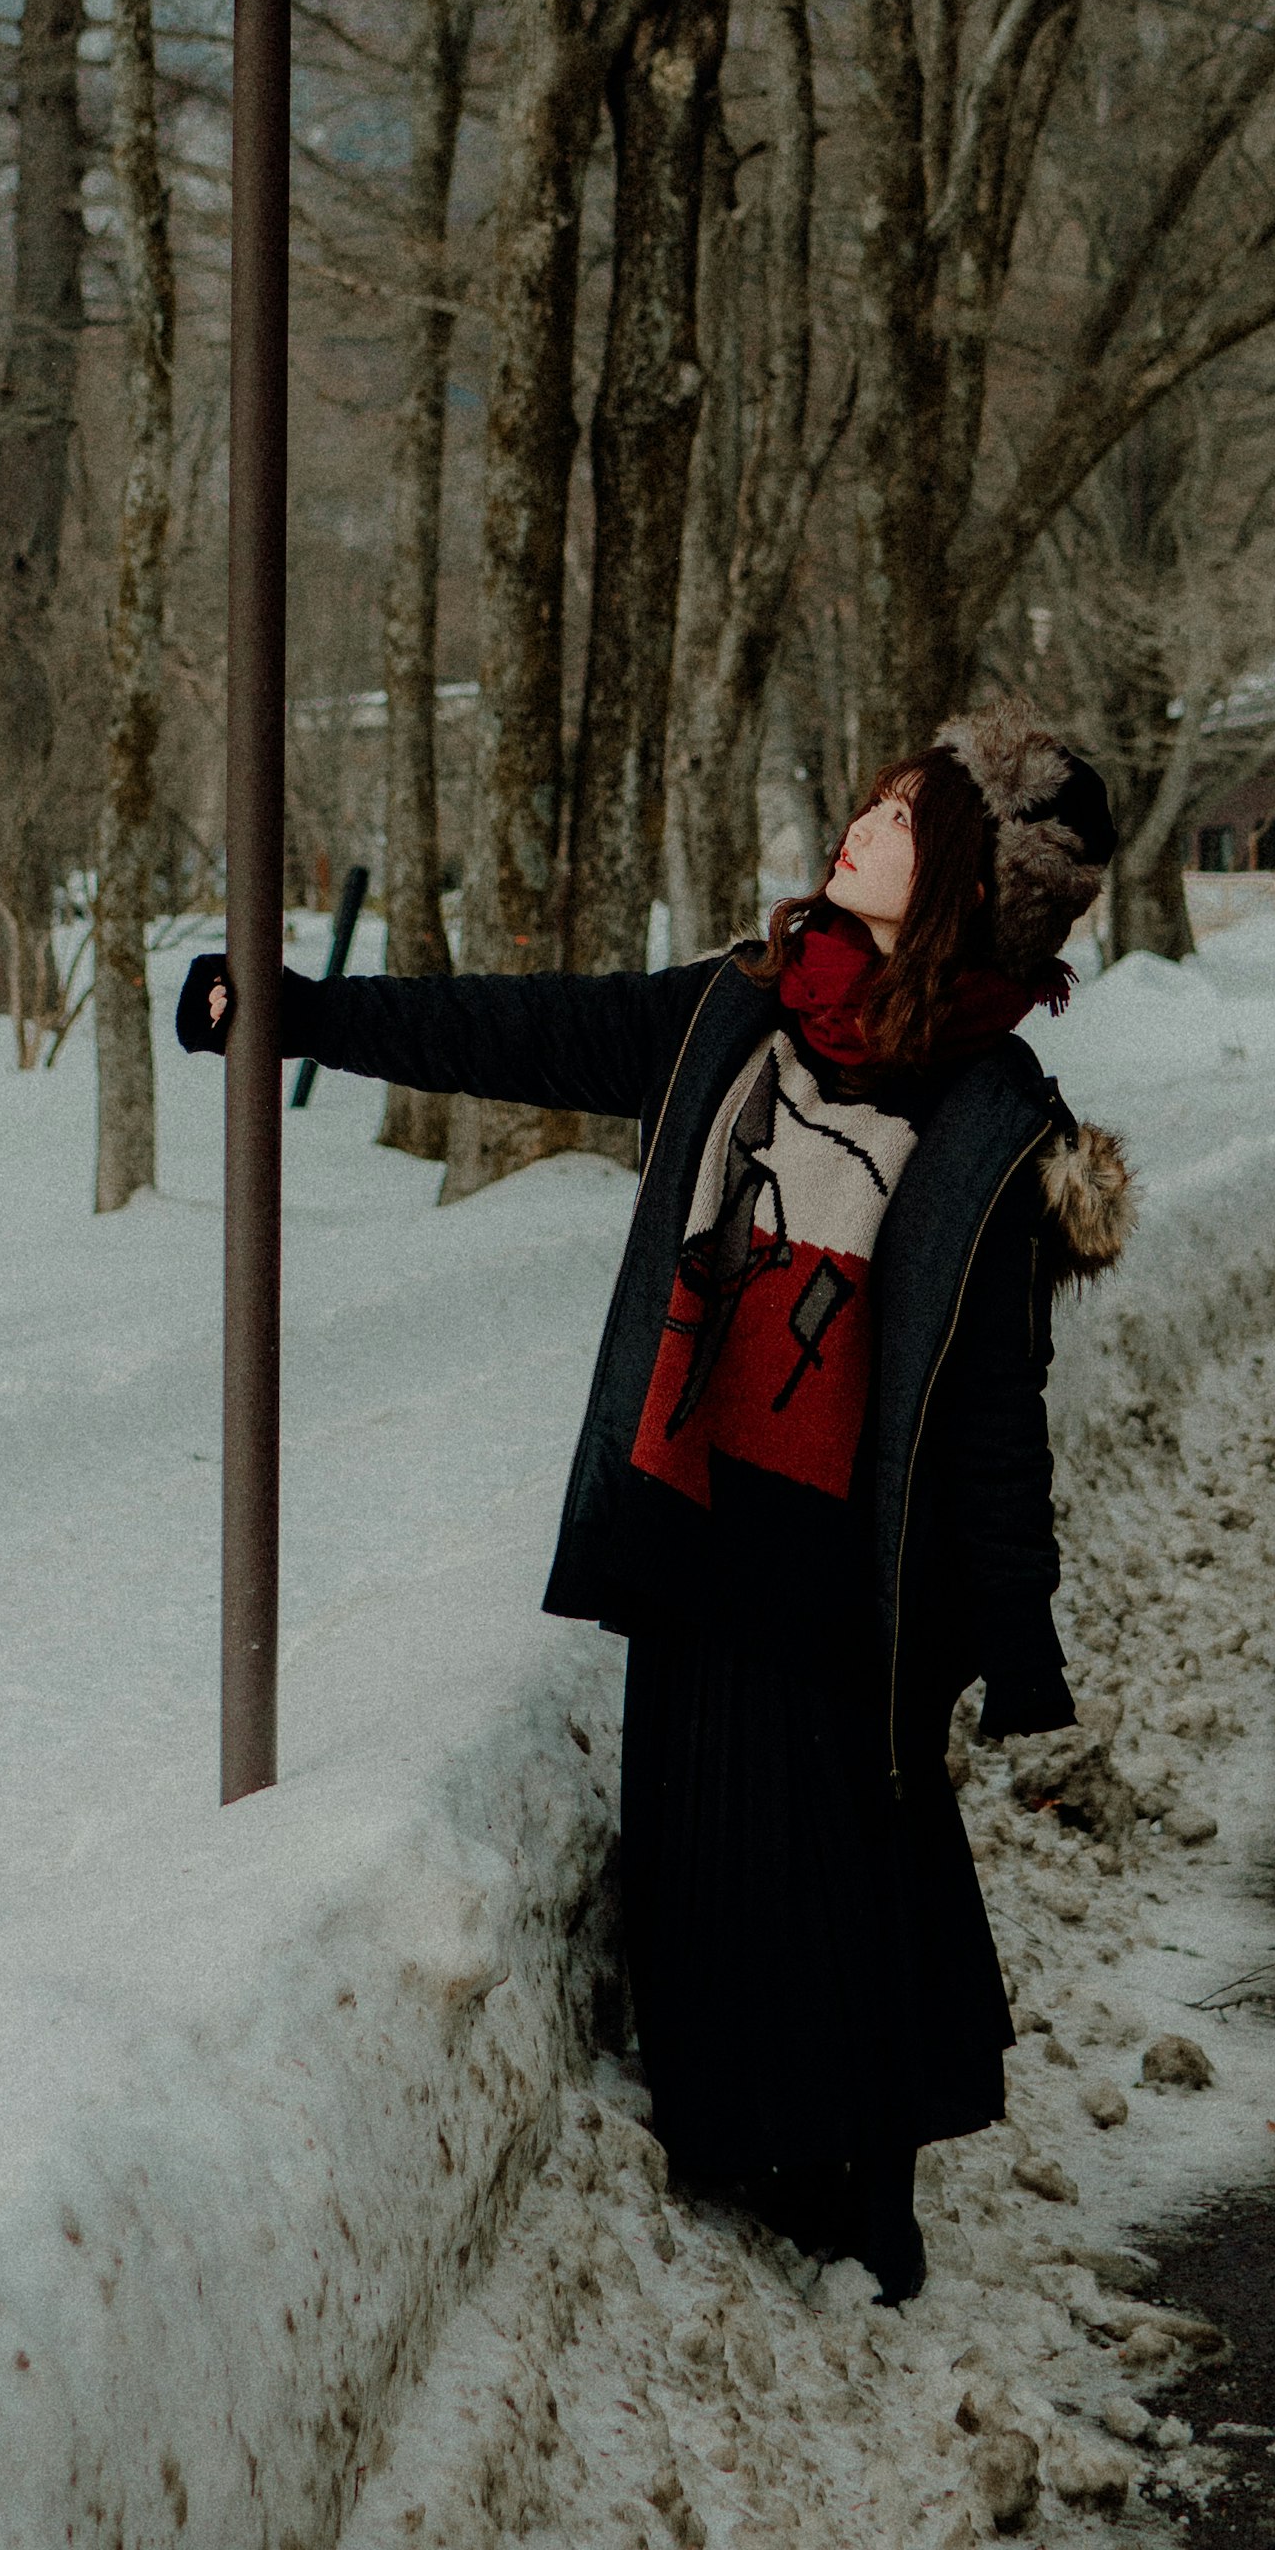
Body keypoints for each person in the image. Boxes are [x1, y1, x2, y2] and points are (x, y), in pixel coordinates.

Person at [178, 704, 1132, 2301]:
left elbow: (990, 1420)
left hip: (854, 1569)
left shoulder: (988, 1122)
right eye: (875, 799)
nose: (861, 825)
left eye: (902, 816)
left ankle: (870, 2188)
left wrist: (1022, 1650)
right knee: (712, 1848)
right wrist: (298, 1015)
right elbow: (523, 1033)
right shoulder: (737, 1014)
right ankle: (749, 2137)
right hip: (700, 1511)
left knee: (856, 1853)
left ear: (965, 877)